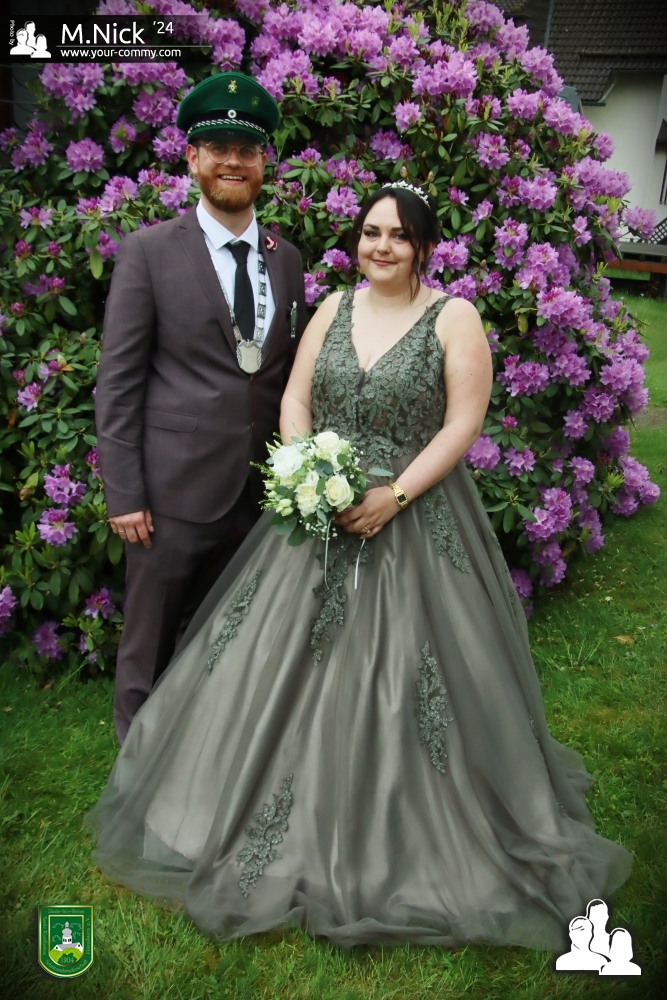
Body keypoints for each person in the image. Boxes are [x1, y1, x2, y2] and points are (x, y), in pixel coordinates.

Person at [85, 184, 632, 950]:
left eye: (398, 235)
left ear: (423, 247)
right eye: (371, 232)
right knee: (271, 662)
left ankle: (418, 833)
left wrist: (395, 495)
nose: (381, 246)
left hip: (416, 516)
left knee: (414, 672)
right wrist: (309, 467)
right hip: (323, 514)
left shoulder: (453, 317)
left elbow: (463, 423)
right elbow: (295, 399)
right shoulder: (332, 308)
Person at [95, 73, 307, 744]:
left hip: (257, 495)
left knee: (229, 638)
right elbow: (118, 381)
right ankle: (137, 765)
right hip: (170, 496)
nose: (232, 161)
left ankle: (205, 755)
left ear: (264, 163)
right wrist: (124, 492)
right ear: (192, 158)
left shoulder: (286, 260)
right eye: (218, 148)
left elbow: (285, 375)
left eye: (247, 149)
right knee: (149, 640)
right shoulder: (149, 252)